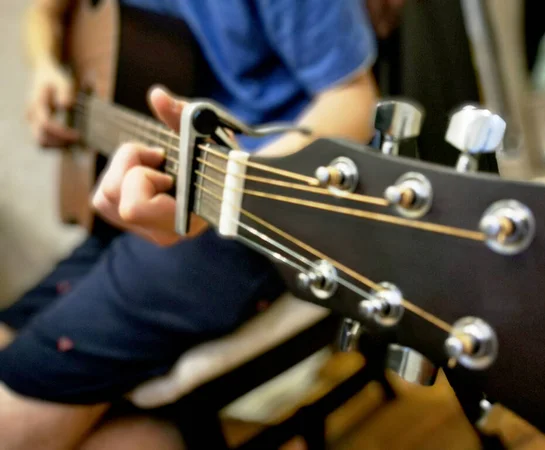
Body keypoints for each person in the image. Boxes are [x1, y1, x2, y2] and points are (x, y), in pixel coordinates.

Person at [0, 0, 394, 448]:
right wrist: (47, 68)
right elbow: (44, 11)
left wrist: (221, 193)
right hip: (148, 201)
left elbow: (355, 99)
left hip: (265, 205)